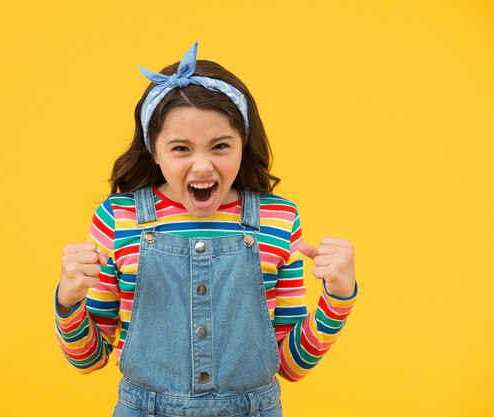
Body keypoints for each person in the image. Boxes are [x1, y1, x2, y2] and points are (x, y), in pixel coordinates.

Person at [55, 42, 358, 417]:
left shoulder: (278, 221)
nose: (201, 166)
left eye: (220, 146)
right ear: (154, 150)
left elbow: (291, 366)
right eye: (181, 148)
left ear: (243, 145)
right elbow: (89, 359)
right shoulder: (118, 219)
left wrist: (338, 301)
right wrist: (68, 303)